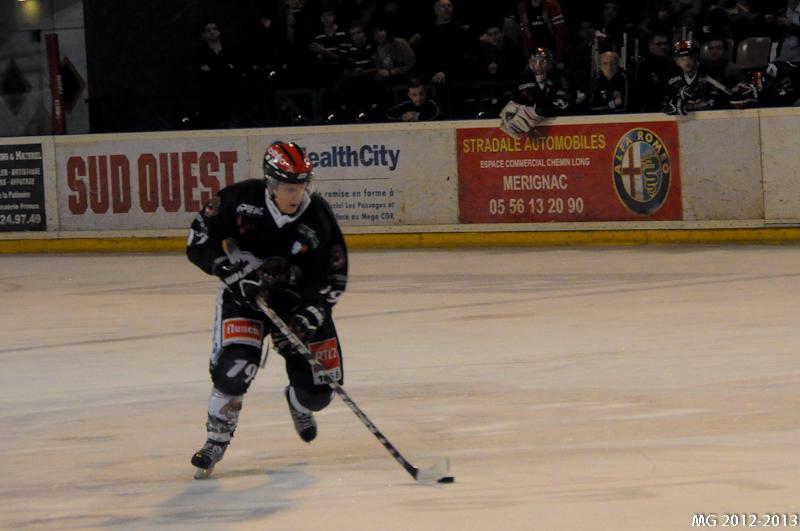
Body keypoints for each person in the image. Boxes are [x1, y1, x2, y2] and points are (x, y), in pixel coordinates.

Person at [187, 141, 349, 479]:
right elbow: (198, 242)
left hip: (298, 302)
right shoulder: (238, 199)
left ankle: (298, 401)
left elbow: (334, 276)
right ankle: (216, 439)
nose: (297, 194)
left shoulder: (318, 215)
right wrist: (229, 272)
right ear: (271, 184)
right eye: (290, 187)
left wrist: (310, 315)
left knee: (320, 393)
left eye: (302, 186)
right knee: (234, 368)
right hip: (246, 298)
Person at [499, 47, 572, 137]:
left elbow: (565, 101)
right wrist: (515, 106)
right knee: (511, 107)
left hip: (555, 116)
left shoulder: (559, 76)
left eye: (542, 62)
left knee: (540, 110)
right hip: (533, 114)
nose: (538, 65)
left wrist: (534, 113)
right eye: (535, 61)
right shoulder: (526, 77)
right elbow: (517, 96)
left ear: (549, 62)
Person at [192, 21, 242, 128]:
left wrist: (212, 68)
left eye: (214, 29)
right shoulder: (200, 53)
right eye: (208, 30)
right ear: (203, 35)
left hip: (232, 98)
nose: (212, 32)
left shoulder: (230, 50)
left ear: (219, 31)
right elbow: (202, 74)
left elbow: (237, 70)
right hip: (211, 101)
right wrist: (226, 68)